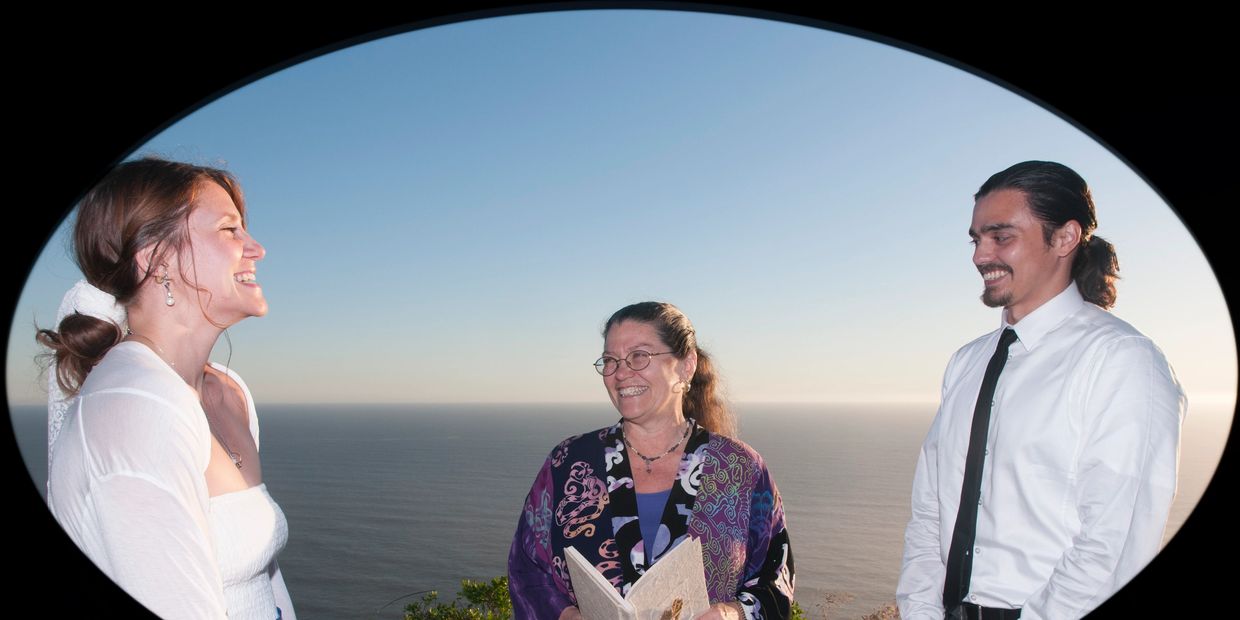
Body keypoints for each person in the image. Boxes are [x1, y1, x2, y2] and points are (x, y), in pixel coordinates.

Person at [896, 161, 1185, 619]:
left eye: (1001, 237)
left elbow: (1114, 544)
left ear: (1065, 238)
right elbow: (930, 512)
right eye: (976, 239)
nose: (979, 256)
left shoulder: (1123, 360)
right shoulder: (966, 362)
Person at [38, 157, 296, 620]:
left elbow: (265, 584)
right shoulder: (133, 412)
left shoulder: (226, 392)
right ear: (157, 258)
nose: (256, 248)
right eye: (229, 230)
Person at [508, 301, 794, 620]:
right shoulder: (569, 462)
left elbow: (775, 579)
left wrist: (732, 613)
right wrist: (566, 616)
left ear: (686, 365)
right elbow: (527, 567)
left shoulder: (740, 468)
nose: (620, 373)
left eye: (639, 356)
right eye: (610, 360)